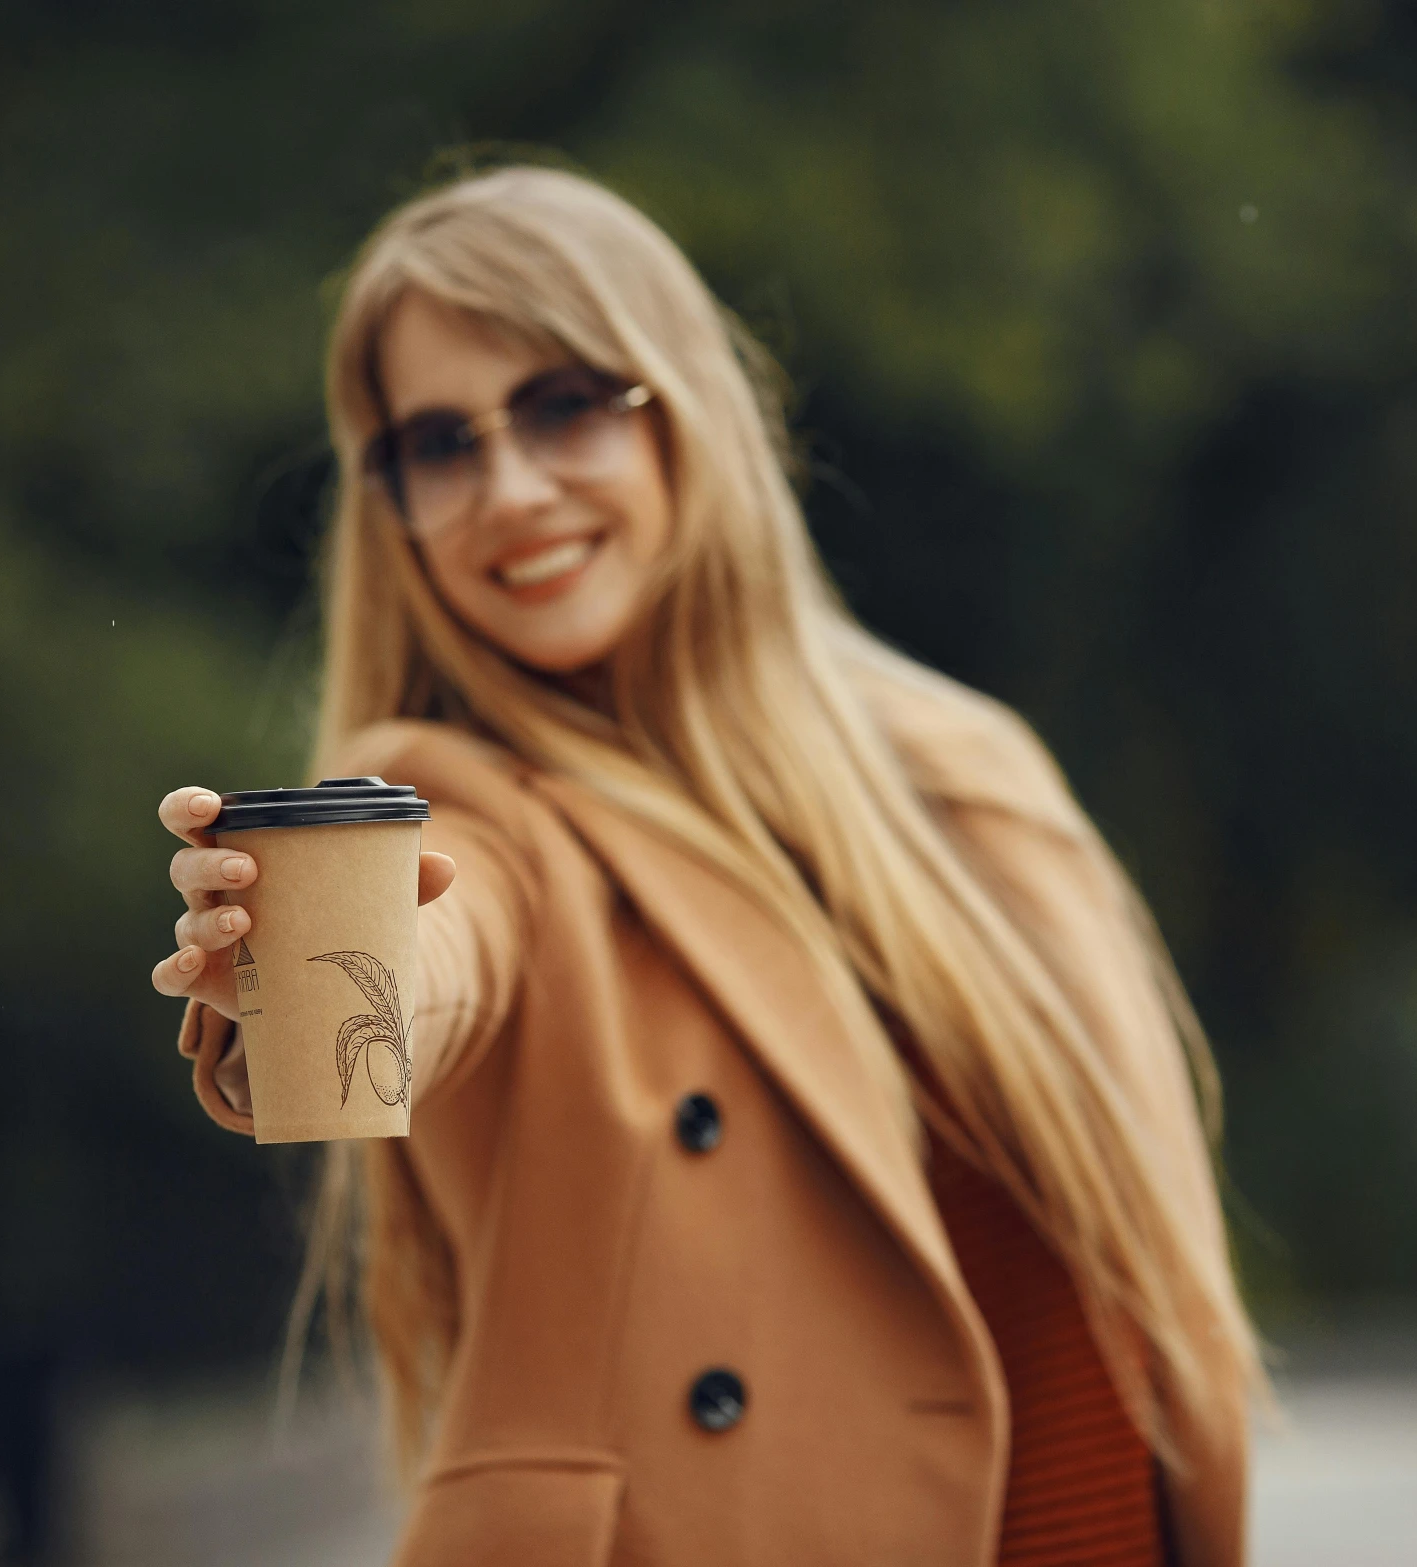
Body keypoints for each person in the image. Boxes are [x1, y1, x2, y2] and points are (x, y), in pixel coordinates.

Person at [149, 165, 1266, 1566]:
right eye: (438, 443)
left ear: (685, 408)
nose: (509, 487)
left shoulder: (963, 775)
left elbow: (1150, 1308)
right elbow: (436, 950)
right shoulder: (459, 796)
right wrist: (296, 958)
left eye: (562, 404)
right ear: (392, 504)